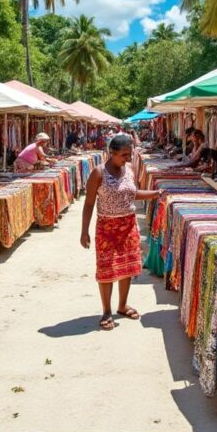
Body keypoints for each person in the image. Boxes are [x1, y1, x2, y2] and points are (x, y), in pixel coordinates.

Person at [81, 134, 160, 330]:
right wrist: (84, 231)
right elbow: (89, 203)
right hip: (107, 228)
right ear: (112, 153)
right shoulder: (98, 173)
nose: (128, 158)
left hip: (128, 226)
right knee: (107, 269)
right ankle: (107, 311)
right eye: (124, 154)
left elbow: (133, 194)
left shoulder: (130, 169)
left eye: (130, 154)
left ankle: (122, 305)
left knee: (127, 268)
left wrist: (156, 194)